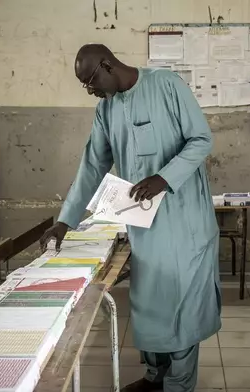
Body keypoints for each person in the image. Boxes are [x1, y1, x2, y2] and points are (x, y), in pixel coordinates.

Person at [39, 44, 222, 392]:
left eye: (90, 81)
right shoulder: (105, 110)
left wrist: (163, 178)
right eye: (85, 85)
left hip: (185, 221)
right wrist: (66, 220)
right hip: (145, 226)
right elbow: (93, 163)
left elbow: (201, 139)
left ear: (107, 65)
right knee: (150, 306)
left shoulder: (166, 84)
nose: (90, 90)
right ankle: (155, 378)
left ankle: (179, 385)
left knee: (181, 307)